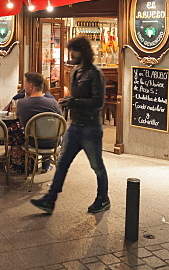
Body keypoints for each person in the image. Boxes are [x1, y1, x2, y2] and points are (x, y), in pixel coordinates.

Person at [31, 36, 109, 215]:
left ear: (83, 52)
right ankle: (50, 200)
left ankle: (103, 198)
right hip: (75, 127)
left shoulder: (95, 73)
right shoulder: (75, 72)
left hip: (90, 128)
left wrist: (73, 102)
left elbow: (98, 102)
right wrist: (68, 102)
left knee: (97, 166)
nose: (71, 53)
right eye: (71, 50)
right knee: (62, 163)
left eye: (74, 50)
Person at [16, 71, 62, 172]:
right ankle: (46, 166)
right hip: (53, 142)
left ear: (31, 86)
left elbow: (22, 123)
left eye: (25, 84)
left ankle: (23, 166)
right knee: (49, 130)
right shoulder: (53, 103)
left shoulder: (22, 103)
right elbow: (60, 122)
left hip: (32, 142)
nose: (24, 87)